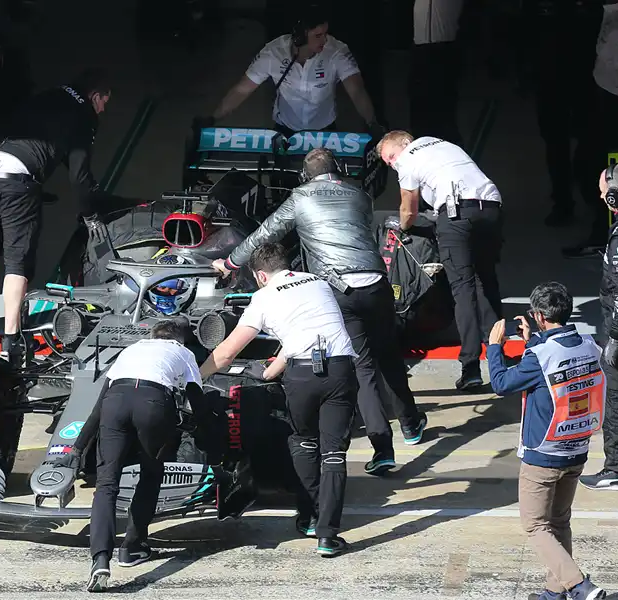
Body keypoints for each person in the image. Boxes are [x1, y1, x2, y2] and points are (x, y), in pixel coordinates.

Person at [213, 148, 428, 476]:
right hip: (376, 282)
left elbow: (266, 234)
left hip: (340, 289)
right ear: (339, 169)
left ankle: (383, 448)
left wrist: (230, 262)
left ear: (304, 176)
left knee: (364, 369)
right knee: (389, 356)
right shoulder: (359, 194)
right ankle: (411, 426)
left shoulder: (300, 197)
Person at [202, 242, 358, 556]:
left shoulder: (263, 297)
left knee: (302, 442)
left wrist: (194, 376)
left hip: (302, 375)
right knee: (334, 455)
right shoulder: (318, 283)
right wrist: (274, 367)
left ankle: (311, 514)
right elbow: (311, 328)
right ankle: (328, 536)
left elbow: (227, 352)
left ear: (261, 275)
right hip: (341, 368)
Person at [0, 68, 122, 365]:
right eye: (105, 102)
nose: (104, 109)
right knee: (18, 260)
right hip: (17, 178)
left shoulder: (52, 94)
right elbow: (79, 176)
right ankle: (11, 340)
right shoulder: (84, 115)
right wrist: (90, 214)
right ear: (95, 96)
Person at [487, 282, 608, 600]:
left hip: (543, 454)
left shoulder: (539, 356)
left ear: (539, 316)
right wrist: (533, 341)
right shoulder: (587, 343)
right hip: (577, 446)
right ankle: (555, 592)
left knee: (536, 525)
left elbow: (501, 383)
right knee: (559, 521)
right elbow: (554, 365)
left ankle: (580, 586)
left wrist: (494, 347)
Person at [378, 130, 504, 390]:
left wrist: (403, 227)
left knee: (463, 289)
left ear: (405, 143)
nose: (392, 163)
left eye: (390, 156)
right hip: (491, 209)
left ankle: (470, 368)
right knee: (487, 283)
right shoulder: (445, 145)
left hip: (456, 213)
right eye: (387, 162)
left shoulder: (408, 157)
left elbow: (408, 210)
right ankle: (498, 356)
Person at [86, 319, 205, 592]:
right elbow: (197, 401)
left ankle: (100, 559)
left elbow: (97, 405)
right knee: (151, 473)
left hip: (114, 402)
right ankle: (132, 547)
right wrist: (210, 439)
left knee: (106, 485)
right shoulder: (183, 352)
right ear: (180, 339)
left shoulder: (132, 349)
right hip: (153, 402)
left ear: (153, 335)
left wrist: (79, 447)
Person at [208, 4, 381, 138]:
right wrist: (213, 118)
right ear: (300, 36)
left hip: (325, 130)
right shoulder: (273, 52)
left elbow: (357, 91)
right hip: (285, 129)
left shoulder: (337, 51)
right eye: (318, 35)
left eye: (325, 33)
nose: (324, 40)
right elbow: (242, 89)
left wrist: (372, 122)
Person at [563, 0, 618, 257]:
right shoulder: (611, 13)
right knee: (589, 165)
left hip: (614, 106)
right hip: (602, 99)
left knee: (604, 172)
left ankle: (608, 235)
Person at [580, 163, 618, 491]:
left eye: (604, 193)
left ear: (615, 194)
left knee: (616, 394)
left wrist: (615, 338)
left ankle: (617, 469)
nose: (602, 197)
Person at [521, 0, 603, 227]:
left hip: (584, 78)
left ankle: (593, 199)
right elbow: (526, 33)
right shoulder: (539, 10)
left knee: (589, 142)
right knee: (556, 144)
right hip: (551, 80)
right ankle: (564, 202)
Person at [409, 0, 466, 146]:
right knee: (426, 102)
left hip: (437, 50)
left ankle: (444, 146)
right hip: (429, 48)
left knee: (437, 102)